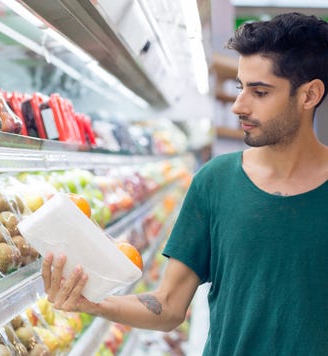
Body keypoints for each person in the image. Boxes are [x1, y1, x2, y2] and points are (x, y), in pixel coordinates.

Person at [41, 12, 328, 355]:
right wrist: (96, 304)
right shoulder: (215, 181)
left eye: (260, 92)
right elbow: (169, 305)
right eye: (240, 87)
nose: (238, 105)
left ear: (309, 95)